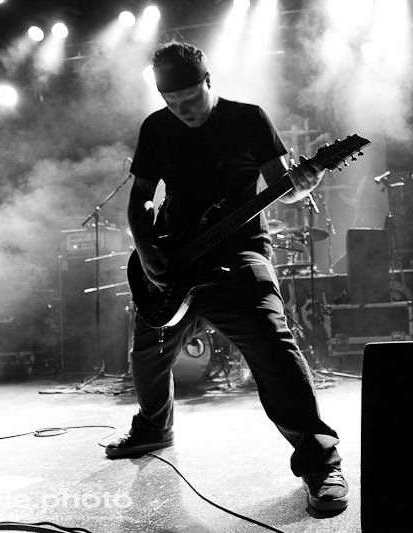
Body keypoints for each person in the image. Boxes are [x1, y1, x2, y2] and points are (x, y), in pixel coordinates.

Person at [105, 40, 348, 513]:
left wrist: (305, 183)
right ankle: (154, 428)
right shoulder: (156, 128)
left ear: (209, 82)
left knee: (273, 349)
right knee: (148, 351)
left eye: (190, 100)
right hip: (175, 259)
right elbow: (140, 198)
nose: (183, 111)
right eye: (172, 103)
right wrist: (146, 249)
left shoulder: (248, 119)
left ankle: (321, 463)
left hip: (240, 253)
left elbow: (284, 187)